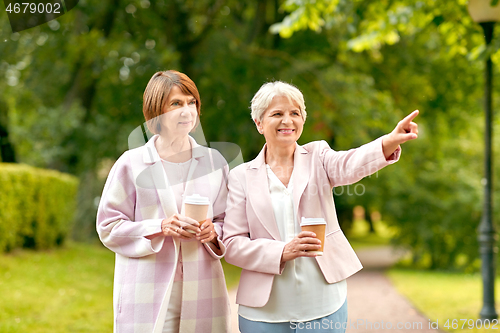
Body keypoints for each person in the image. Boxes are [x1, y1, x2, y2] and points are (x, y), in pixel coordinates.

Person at [222, 81, 418, 333]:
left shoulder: (319, 156)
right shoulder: (240, 176)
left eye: (295, 113)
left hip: (323, 304)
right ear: (259, 123)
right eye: (277, 114)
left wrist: (389, 141)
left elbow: (352, 163)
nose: (288, 120)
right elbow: (233, 244)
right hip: (264, 312)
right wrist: (282, 251)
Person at [97, 70, 231, 333]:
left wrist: (214, 232)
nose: (187, 111)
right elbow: (108, 226)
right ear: (156, 112)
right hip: (146, 293)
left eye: (191, 102)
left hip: (203, 290)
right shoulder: (131, 163)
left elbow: (229, 221)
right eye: (176, 104)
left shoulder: (215, 162)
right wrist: (160, 227)